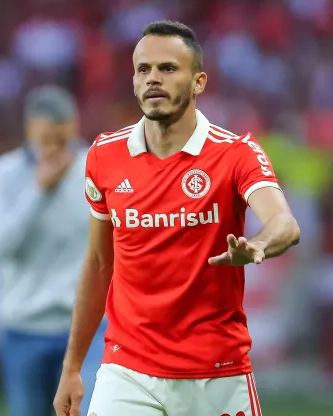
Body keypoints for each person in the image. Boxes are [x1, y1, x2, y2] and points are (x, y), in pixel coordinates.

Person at [53, 20, 301, 416]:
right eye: (143, 70)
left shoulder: (235, 153)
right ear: (133, 82)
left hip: (216, 372)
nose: (153, 79)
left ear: (198, 82)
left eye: (168, 69)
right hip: (127, 371)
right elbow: (100, 263)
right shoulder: (104, 155)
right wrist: (72, 367)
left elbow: (285, 225)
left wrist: (257, 245)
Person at [0, 85, 106, 416]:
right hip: (25, 326)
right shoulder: (6, 173)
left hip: (89, 325)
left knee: (93, 410)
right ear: (30, 129)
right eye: (46, 135)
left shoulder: (98, 168)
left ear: (74, 125)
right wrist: (38, 191)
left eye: (61, 135)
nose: (54, 146)